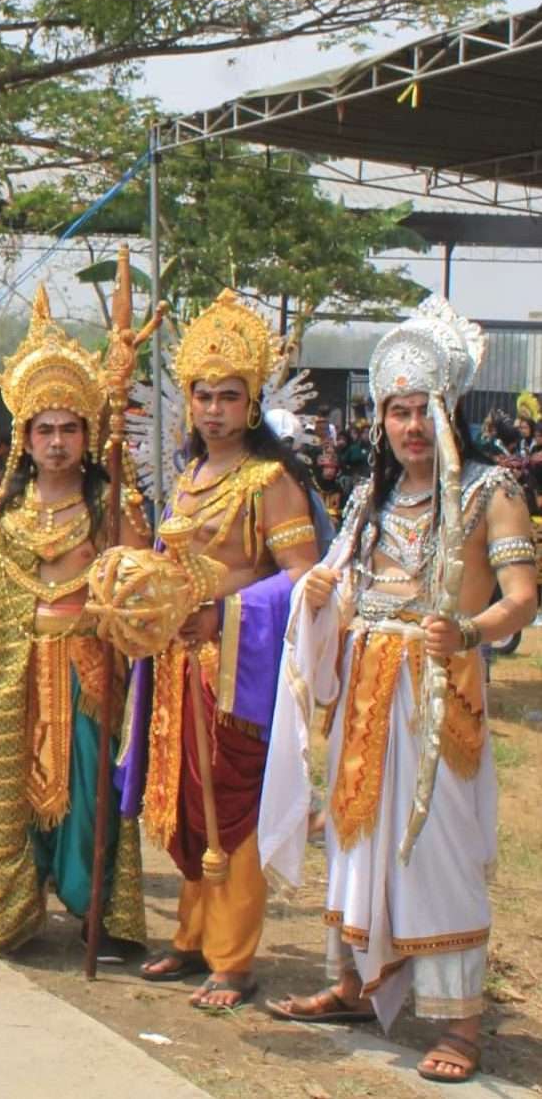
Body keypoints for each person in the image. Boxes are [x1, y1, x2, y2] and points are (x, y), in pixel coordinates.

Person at [261, 300, 535, 1084]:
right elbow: (350, 589)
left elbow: (521, 594)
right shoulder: (366, 501)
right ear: (379, 419)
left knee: (434, 851)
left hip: (440, 692)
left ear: (450, 410)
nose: (411, 426)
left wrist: (472, 633)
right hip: (364, 689)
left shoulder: (492, 492)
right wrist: (321, 597)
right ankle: (351, 982)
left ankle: (460, 1025)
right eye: (396, 411)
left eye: (424, 410)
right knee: (354, 841)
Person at [123, 290, 319, 1011]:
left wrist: (224, 614)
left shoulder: (269, 483)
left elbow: (303, 581)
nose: (212, 409)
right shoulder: (186, 479)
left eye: (227, 397)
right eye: (201, 395)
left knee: (229, 809)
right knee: (182, 808)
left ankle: (232, 959)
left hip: (235, 668)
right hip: (174, 666)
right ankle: (190, 936)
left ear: (252, 401)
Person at [0, 290, 148, 959]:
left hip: (87, 674)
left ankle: (96, 910)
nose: (56, 442)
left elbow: (140, 586)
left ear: (88, 435)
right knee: (8, 799)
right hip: (13, 672)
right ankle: (9, 910)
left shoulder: (110, 506)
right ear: (24, 438)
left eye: (68, 429)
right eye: (44, 430)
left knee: (90, 797)